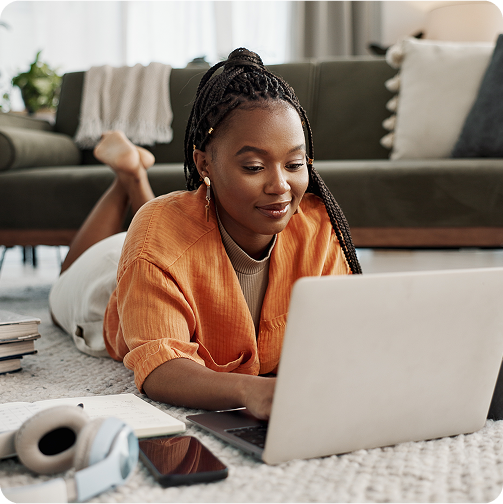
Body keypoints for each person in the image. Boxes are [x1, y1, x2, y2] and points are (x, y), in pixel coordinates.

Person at [49, 48, 362, 420]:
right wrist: (249, 389)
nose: (281, 186)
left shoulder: (317, 228)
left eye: (294, 163)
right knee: (67, 277)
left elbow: (345, 332)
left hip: (163, 245)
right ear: (204, 164)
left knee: (158, 227)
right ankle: (129, 179)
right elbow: (160, 364)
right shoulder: (156, 238)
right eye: (254, 166)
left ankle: (133, 175)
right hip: (103, 288)